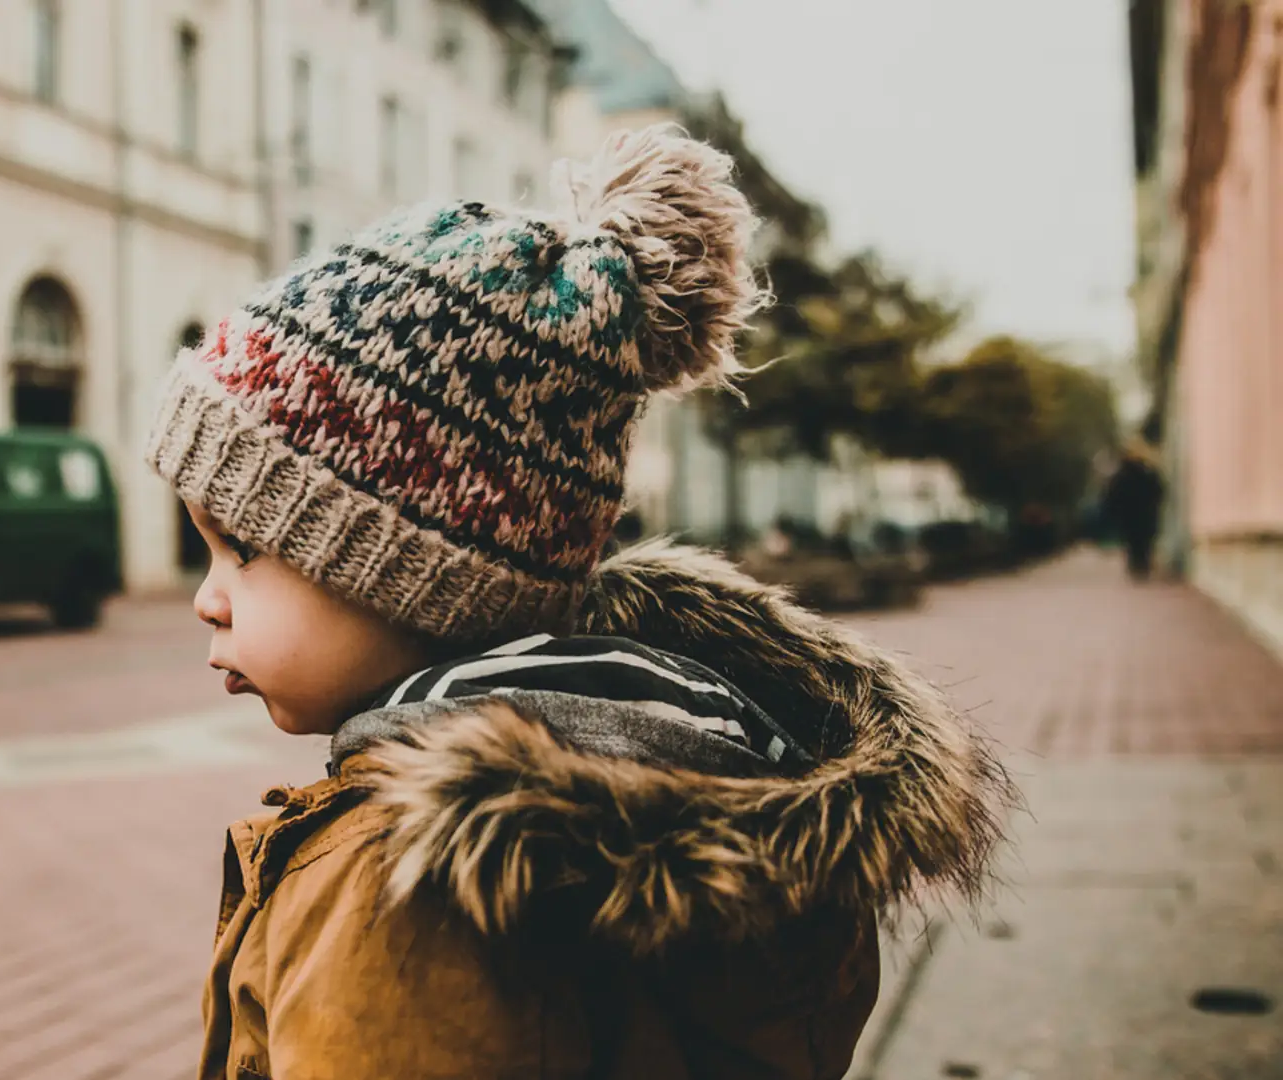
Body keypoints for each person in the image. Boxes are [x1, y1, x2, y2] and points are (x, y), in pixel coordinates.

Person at [146, 127, 1012, 1079]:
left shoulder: (406, 883)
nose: (207, 600)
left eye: (249, 547)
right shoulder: (701, 765)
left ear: (419, 571)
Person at [1101, 439, 1166, 582]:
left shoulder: (1121, 475)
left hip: (1129, 516)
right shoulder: (1147, 472)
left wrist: (1113, 513)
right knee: (1144, 542)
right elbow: (1159, 490)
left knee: (1133, 542)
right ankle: (1142, 566)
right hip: (1145, 514)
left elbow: (1112, 495)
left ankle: (1136, 567)